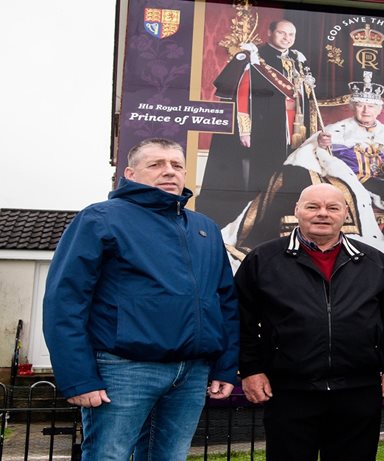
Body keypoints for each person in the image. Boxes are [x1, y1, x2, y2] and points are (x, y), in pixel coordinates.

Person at [43, 138, 239, 460]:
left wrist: (224, 367)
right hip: (124, 369)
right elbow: (65, 302)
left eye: (177, 165)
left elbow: (225, 301)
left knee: (170, 457)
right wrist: (78, 378)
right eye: (156, 164)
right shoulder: (99, 219)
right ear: (130, 174)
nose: (169, 171)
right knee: (109, 456)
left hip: (191, 373)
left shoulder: (205, 228)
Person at [235, 183, 384, 461]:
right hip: (289, 391)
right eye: (312, 206)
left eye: (332, 207)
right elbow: (240, 321)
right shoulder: (263, 259)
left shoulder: (373, 261)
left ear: (345, 214)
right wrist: (251, 370)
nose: (322, 214)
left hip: (358, 391)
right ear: (297, 211)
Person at [231, 71, 384, 261]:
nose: (365, 110)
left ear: (379, 110)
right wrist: (322, 143)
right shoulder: (338, 129)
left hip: (380, 179)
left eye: (370, 106)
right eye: (360, 106)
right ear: (353, 108)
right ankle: (379, 245)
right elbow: (315, 151)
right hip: (351, 178)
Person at [198, 19, 310, 226]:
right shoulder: (254, 56)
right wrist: (245, 130)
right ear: (269, 33)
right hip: (263, 126)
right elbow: (240, 96)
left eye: (291, 35)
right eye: (282, 33)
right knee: (263, 176)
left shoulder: (297, 60)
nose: (287, 38)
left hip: (293, 126)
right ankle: (255, 222)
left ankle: (283, 216)